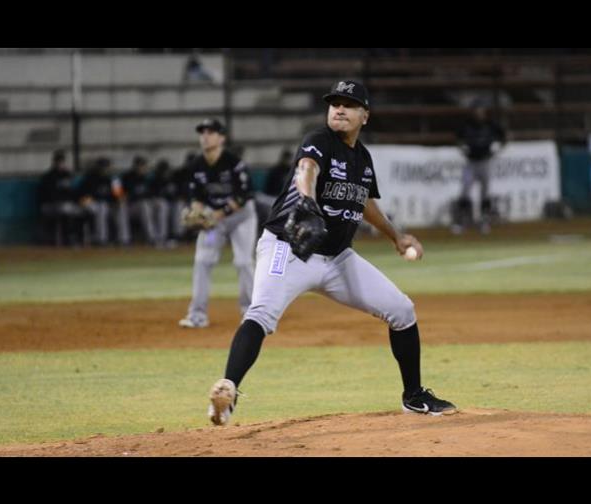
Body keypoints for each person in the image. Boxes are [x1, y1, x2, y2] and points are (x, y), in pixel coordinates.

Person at [205, 80, 457, 427]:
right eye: (335, 103)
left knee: (402, 310)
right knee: (261, 313)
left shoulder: (363, 158)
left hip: (338, 259)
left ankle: (413, 397)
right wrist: (307, 199)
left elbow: (366, 203)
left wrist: (396, 237)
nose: (339, 108)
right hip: (288, 248)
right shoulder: (318, 140)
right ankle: (228, 388)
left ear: (364, 116)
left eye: (349, 104)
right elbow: (306, 170)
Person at [179, 118, 258, 329]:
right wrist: (197, 211)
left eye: (211, 132)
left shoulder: (234, 162)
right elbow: (195, 196)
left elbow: (244, 195)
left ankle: (251, 314)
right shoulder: (196, 165)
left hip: (241, 219)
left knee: (243, 262)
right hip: (215, 224)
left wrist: (217, 214)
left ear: (221, 137)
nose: (205, 136)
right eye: (202, 132)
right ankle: (197, 315)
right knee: (203, 260)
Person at [453, 102, 507, 234]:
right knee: (465, 191)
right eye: (477, 111)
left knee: (485, 193)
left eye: (481, 111)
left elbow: (503, 137)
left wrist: (498, 147)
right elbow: (457, 138)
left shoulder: (490, 124)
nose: (479, 114)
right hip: (470, 163)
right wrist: (462, 147)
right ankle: (462, 222)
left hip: (485, 161)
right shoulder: (467, 124)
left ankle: (484, 221)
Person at [116, 155, 166, 247]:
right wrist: (121, 196)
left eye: (144, 166)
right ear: (136, 166)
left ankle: (162, 236)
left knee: (161, 204)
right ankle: (128, 239)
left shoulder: (147, 178)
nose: (143, 168)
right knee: (142, 206)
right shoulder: (127, 177)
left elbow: (152, 194)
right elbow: (119, 192)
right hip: (131, 206)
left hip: (146, 205)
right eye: (141, 166)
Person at [37, 149, 82, 246]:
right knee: (66, 210)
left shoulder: (67, 175)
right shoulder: (48, 176)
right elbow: (48, 194)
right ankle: (67, 238)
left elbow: (71, 192)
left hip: (65, 205)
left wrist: (75, 201)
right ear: (54, 162)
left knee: (78, 211)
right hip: (50, 205)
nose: (60, 164)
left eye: (62, 162)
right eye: (58, 162)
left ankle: (75, 237)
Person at [77, 157, 121, 246]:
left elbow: (119, 196)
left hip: (106, 204)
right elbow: (82, 195)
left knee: (120, 207)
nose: (106, 169)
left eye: (107, 167)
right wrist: (86, 200)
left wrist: (118, 201)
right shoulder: (90, 178)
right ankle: (102, 239)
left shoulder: (114, 180)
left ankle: (123, 239)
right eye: (103, 167)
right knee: (102, 207)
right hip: (90, 203)